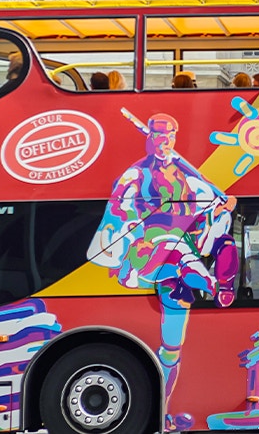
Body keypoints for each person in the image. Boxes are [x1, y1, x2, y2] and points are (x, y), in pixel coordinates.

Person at [90, 111, 237, 431]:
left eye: (168, 135)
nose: (163, 140)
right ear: (148, 137)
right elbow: (117, 211)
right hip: (149, 251)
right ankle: (213, 284)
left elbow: (210, 200)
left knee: (172, 347)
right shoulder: (135, 175)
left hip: (178, 264)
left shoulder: (187, 173)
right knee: (179, 251)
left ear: (174, 136)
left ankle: (163, 412)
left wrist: (223, 206)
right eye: (157, 135)